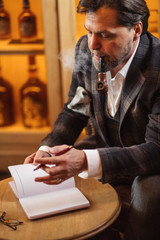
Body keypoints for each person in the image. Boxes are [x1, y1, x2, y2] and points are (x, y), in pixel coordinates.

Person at [25, 0, 160, 239]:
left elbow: (156, 150)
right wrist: (46, 149)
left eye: (106, 35)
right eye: (89, 31)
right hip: (106, 145)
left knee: (148, 193)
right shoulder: (86, 49)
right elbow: (76, 109)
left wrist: (85, 161)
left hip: (151, 162)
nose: (93, 45)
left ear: (136, 29)